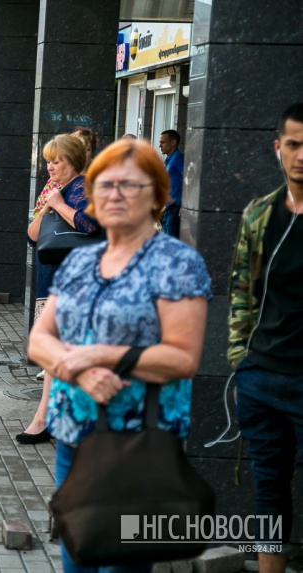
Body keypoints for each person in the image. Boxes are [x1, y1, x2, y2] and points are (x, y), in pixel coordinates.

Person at [28, 138, 211, 573]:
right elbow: (40, 340)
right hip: (74, 434)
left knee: (121, 566)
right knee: (76, 558)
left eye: (128, 185)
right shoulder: (80, 261)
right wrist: (78, 369)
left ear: (157, 195)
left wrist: (98, 356)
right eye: (104, 185)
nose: (113, 195)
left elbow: (182, 357)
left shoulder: (176, 263)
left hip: (137, 440)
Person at [229, 102, 303, 573]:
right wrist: (241, 359)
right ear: (279, 148)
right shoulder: (260, 215)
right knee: (269, 491)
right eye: (294, 145)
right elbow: (241, 289)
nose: (302, 155)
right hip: (262, 378)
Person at [17, 134, 99, 445]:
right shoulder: (56, 189)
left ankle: (46, 418)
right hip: (51, 281)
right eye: (48, 161)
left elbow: (90, 225)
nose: (50, 166)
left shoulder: (87, 187)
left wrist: (60, 205)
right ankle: (54, 418)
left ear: (74, 162)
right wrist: (48, 205)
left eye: (57, 161)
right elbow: (32, 236)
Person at [159, 129, 184, 238]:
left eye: (162, 142)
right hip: (167, 208)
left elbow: (190, 180)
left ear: (173, 142)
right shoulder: (169, 160)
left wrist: (185, 204)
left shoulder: (178, 158)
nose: (160, 145)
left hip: (175, 208)